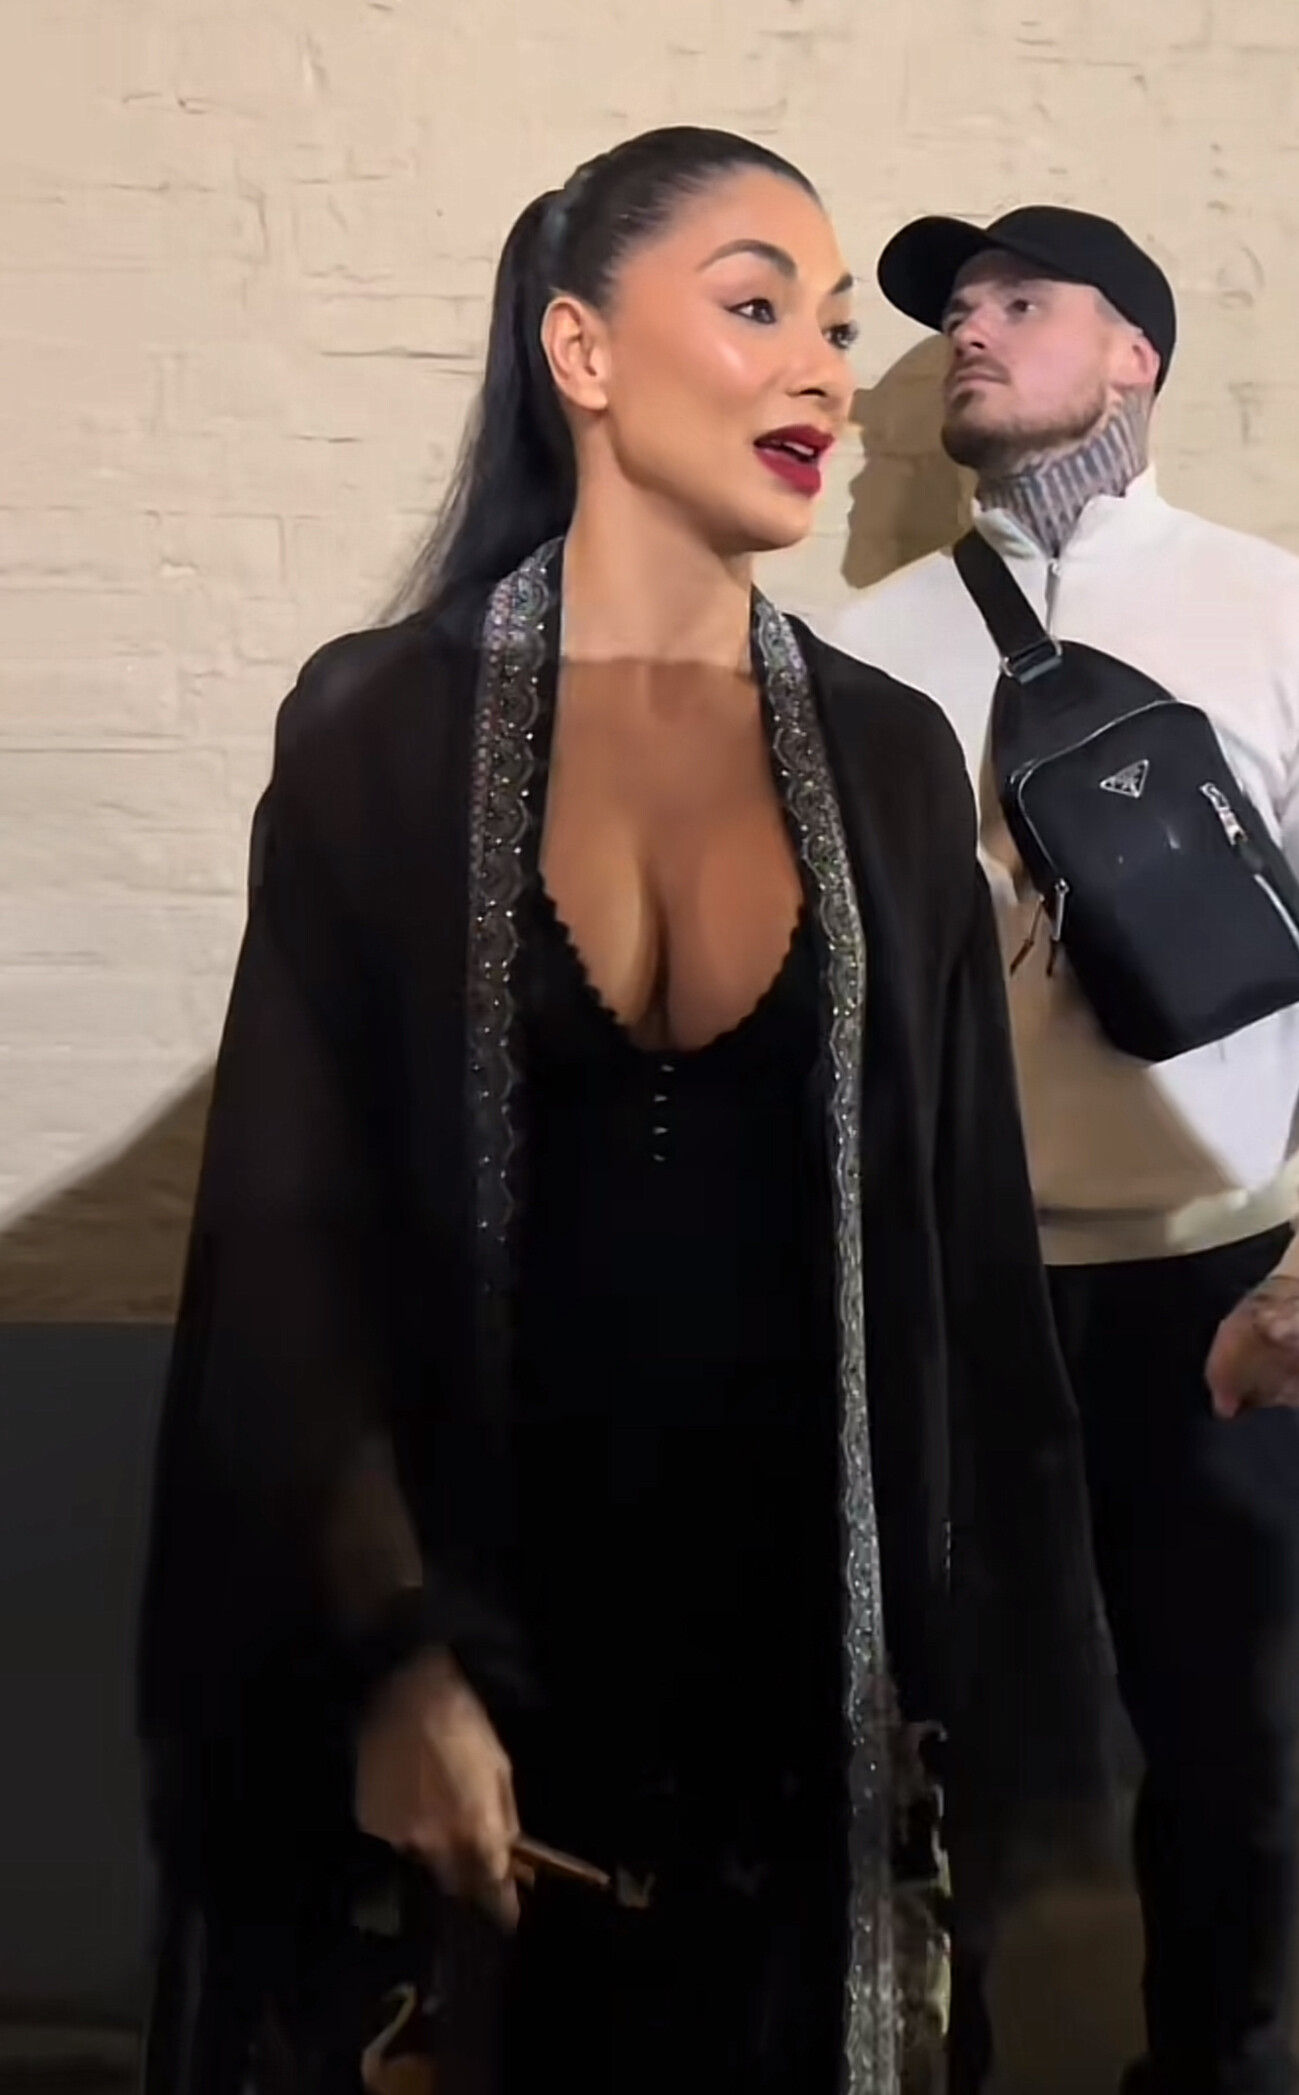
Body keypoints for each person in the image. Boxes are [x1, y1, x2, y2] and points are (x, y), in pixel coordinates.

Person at [136, 136, 1104, 2095]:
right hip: (480, 1701)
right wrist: (392, 1660)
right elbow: (290, 1255)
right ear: (578, 351)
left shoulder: (891, 758)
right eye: (755, 306)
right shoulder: (379, 733)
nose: (824, 368)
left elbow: (962, 1260)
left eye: (835, 325)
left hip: (808, 1713)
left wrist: (980, 1705)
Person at [829, 204, 1299, 2095]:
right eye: (957, 309)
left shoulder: (1271, 609)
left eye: (1026, 301)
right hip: (962, 1290)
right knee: (964, 1746)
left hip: (1228, 1287)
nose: (973, 329)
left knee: (1239, 1752)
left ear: (1135, 357)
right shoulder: (863, 649)